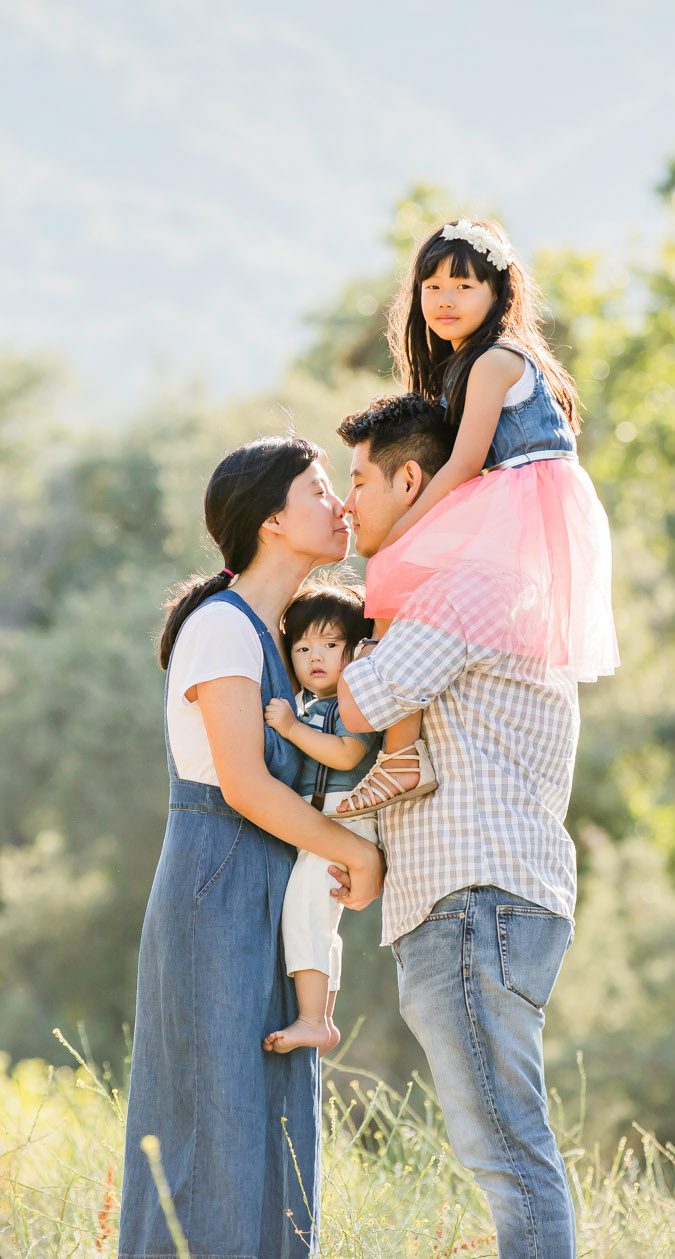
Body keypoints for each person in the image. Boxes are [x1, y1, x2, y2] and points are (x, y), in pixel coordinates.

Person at [333, 391, 586, 1259]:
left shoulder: (467, 582)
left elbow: (364, 699)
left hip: (475, 898)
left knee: (509, 1156)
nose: (347, 502)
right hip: (481, 898)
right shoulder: (479, 578)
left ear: (412, 479)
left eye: (358, 481)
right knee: (506, 1152)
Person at [119, 436, 386, 1259]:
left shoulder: (289, 638)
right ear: (273, 519)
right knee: (214, 1121)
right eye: (317, 489)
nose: (339, 503)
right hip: (216, 885)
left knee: (271, 1123)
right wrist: (359, 852)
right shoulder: (221, 627)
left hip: (263, 885)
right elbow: (242, 783)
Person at [337, 218, 616, 820]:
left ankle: (401, 755)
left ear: (498, 293)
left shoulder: (494, 360)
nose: (445, 300)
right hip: (505, 497)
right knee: (400, 580)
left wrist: (405, 530)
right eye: (432, 287)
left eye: (463, 286)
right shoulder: (463, 364)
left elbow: (464, 462)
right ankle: (401, 752)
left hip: (521, 497)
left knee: (397, 567)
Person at [259, 583, 383, 1055]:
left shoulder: (354, 704)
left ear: (355, 651)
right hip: (325, 824)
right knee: (318, 917)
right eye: (303, 647)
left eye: (331, 646)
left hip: (345, 821)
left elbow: (348, 754)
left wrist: (290, 728)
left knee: (305, 913)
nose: (316, 656)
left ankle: (314, 1019)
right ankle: (322, 1018)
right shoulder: (313, 706)